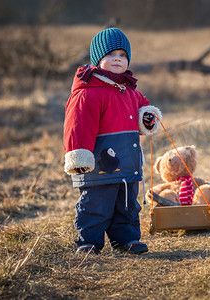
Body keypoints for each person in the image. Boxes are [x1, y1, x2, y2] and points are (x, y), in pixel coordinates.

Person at [63, 28, 162, 254]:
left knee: (127, 205)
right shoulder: (88, 93)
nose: (118, 59)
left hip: (127, 162)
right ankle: (88, 241)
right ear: (98, 59)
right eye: (111, 55)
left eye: (122, 55)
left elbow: (143, 110)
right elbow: (77, 126)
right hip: (99, 164)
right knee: (96, 204)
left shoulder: (128, 90)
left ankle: (127, 239)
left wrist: (147, 118)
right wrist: (79, 155)